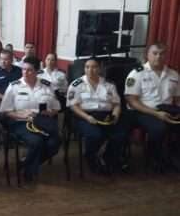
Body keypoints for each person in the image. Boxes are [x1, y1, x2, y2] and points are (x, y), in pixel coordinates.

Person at [0, 57, 61, 181]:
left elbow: (56, 107)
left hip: (42, 122)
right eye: (23, 69)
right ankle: (29, 171)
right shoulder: (14, 86)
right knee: (36, 142)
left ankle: (25, 162)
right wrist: (20, 115)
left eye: (29, 70)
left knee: (55, 143)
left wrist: (50, 113)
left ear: (37, 71)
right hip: (21, 123)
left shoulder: (47, 86)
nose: (25, 73)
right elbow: (5, 110)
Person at [125, 43, 180, 171]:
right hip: (143, 111)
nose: (158, 56)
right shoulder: (136, 74)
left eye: (162, 53)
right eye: (155, 53)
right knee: (159, 128)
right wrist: (155, 114)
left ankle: (173, 155)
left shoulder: (174, 74)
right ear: (147, 55)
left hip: (167, 109)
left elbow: (177, 99)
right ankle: (154, 158)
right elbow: (132, 101)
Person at [67, 57, 127, 174]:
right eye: (87, 67)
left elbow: (116, 104)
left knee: (120, 135)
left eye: (94, 67)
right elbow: (73, 106)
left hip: (106, 115)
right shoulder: (76, 84)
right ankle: (91, 157)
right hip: (84, 115)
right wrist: (87, 117)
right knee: (95, 135)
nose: (90, 70)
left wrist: (115, 115)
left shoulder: (109, 85)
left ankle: (107, 157)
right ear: (84, 69)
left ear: (100, 69)